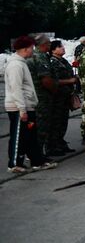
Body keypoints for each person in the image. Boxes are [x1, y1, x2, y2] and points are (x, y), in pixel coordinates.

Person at [5, 35, 56, 173]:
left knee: (30, 136)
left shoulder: (22, 63)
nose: (33, 51)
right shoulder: (15, 65)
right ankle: (14, 163)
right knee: (19, 137)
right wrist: (22, 109)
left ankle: (37, 161)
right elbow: (16, 88)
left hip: (28, 106)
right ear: (25, 49)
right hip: (18, 107)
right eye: (31, 48)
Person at [47, 40, 78, 155]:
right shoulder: (53, 62)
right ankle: (52, 146)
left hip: (66, 96)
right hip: (58, 97)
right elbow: (54, 80)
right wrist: (69, 80)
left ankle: (60, 143)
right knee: (56, 122)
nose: (63, 48)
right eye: (60, 47)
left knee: (63, 121)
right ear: (53, 50)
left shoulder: (63, 61)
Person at [27, 34, 54, 156]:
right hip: (41, 97)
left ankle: (35, 153)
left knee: (37, 126)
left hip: (35, 96)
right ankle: (37, 155)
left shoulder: (33, 56)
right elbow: (46, 80)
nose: (50, 45)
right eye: (49, 43)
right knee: (41, 127)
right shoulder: (40, 57)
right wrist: (55, 90)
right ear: (44, 44)